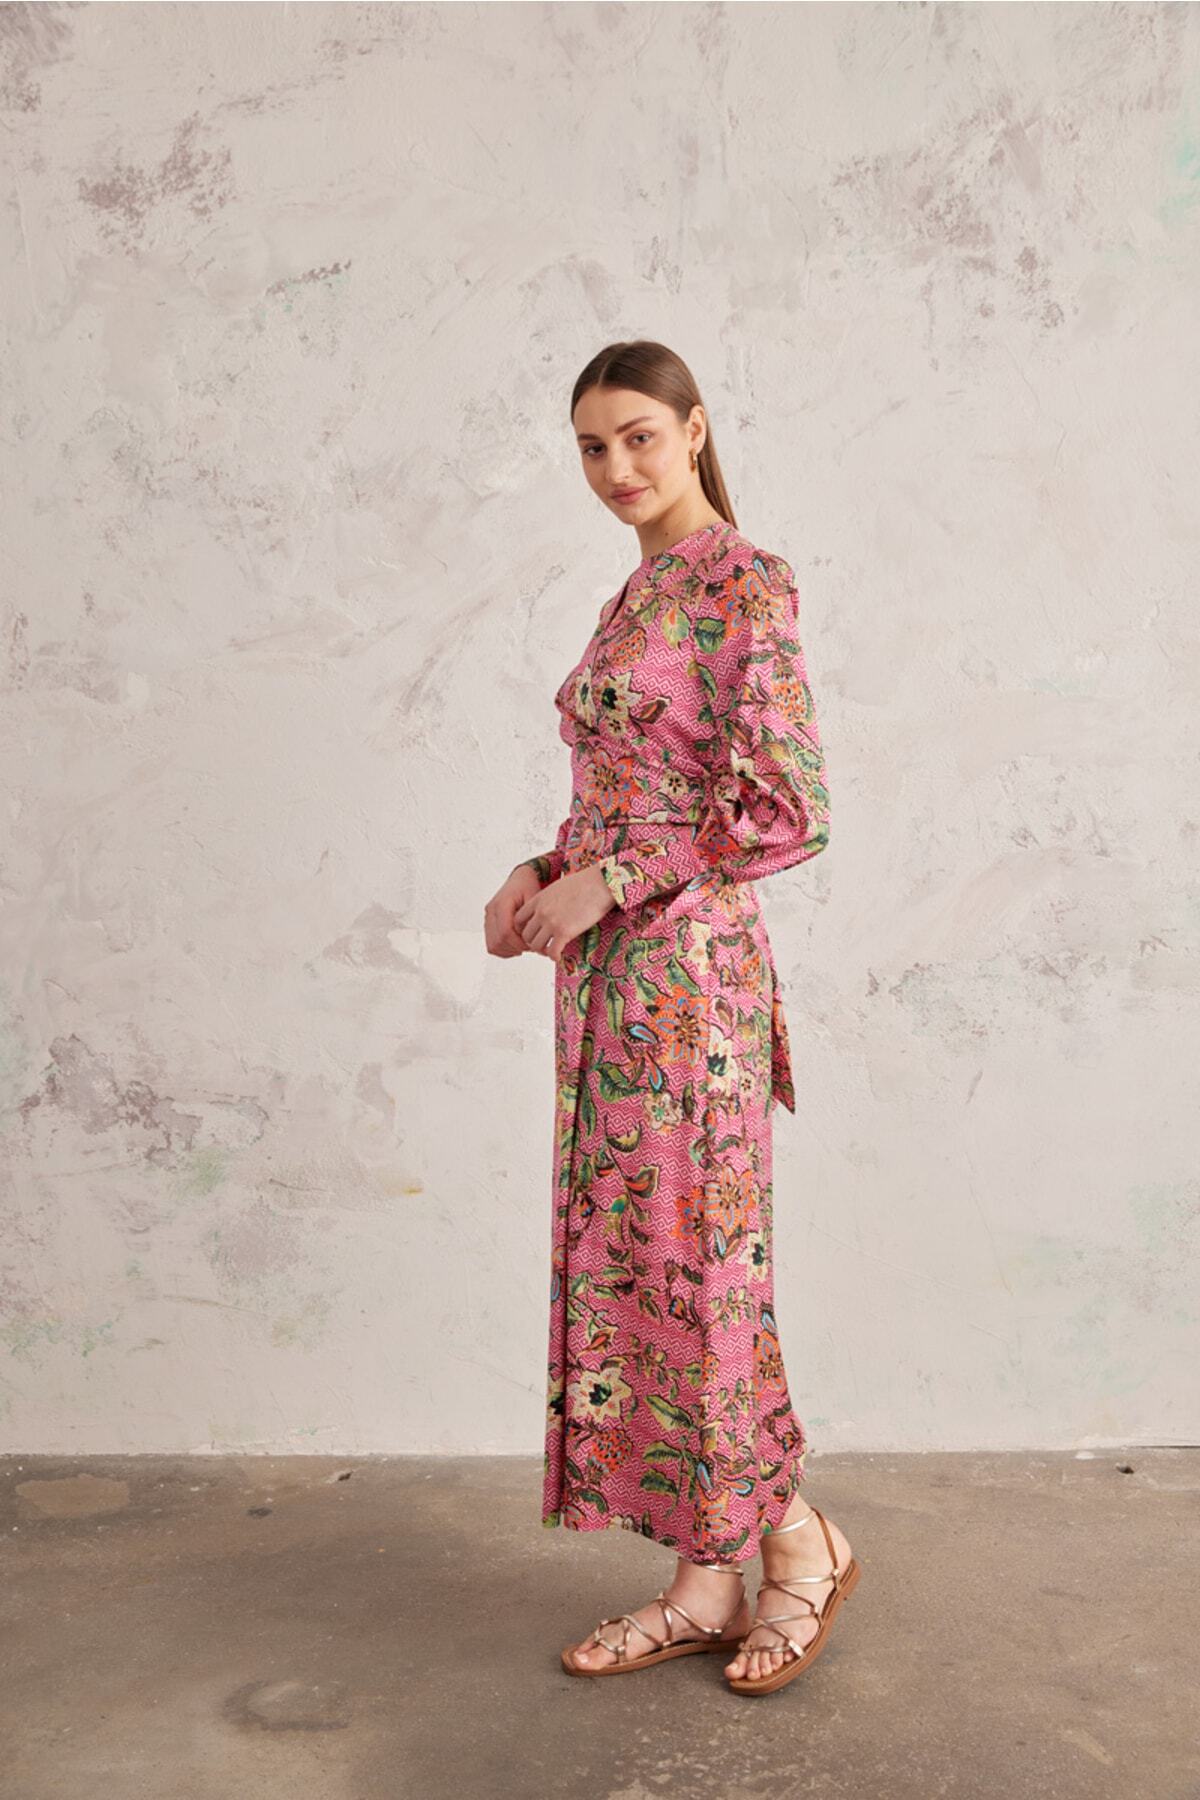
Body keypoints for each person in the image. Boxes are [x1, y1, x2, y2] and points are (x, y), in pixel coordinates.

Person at [483, 340, 860, 1696]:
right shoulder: (637, 594)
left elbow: (785, 808)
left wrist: (614, 879)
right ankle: (708, 1580)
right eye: (592, 446)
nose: (616, 467)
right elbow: (636, 791)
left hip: (691, 988)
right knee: (639, 1275)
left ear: (694, 431)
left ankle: (798, 1543)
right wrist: (541, 873)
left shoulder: (744, 582)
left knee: (704, 1277)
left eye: (639, 435)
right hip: (609, 991)